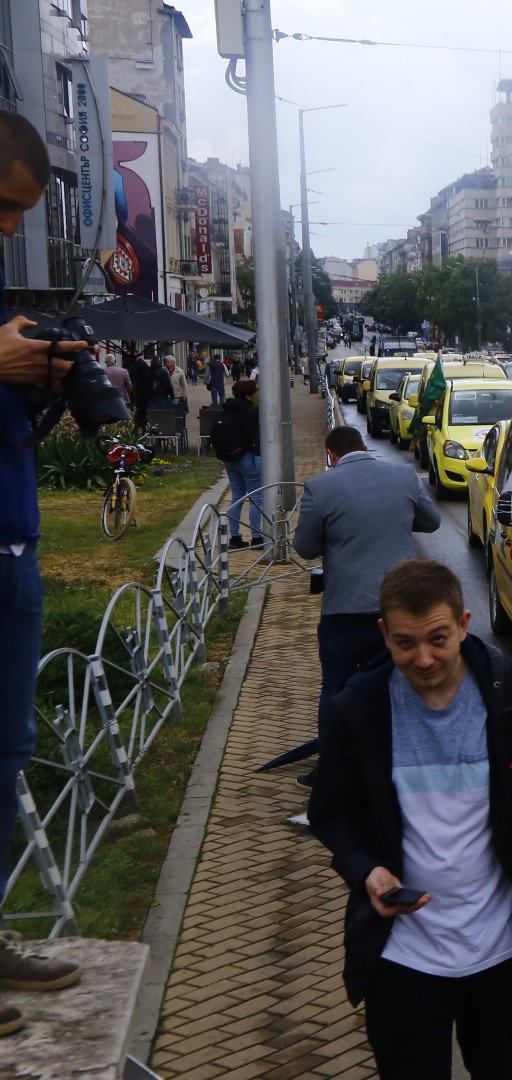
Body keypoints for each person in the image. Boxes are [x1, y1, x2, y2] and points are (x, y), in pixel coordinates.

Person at [308, 560, 512, 1079]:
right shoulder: (359, 710)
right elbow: (332, 811)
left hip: (499, 956)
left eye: (439, 638)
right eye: (405, 643)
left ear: (464, 623)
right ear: (384, 634)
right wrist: (368, 870)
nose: (423, 658)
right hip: (402, 960)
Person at [0, 107, 88, 1040]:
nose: (12, 227)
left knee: (6, 756)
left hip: (14, 548)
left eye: (23, 211)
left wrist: (45, 374)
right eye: (2, 205)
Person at [294, 426, 443, 732]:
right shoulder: (403, 477)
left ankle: (332, 766)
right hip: (398, 608)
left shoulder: (319, 487)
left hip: (344, 609)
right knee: (400, 684)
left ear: (330, 455)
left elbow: (305, 548)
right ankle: (398, 755)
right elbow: (432, 522)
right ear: (364, 447)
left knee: (334, 686)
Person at [212, 379, 267, 546]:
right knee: (256, 498)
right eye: (254, 392)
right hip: (249, 458)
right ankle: (257, 537)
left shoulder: (226, 410)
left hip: (229, 459)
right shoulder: (252, 411)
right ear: (249, 395)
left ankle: (234, 537)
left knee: (237, 497)